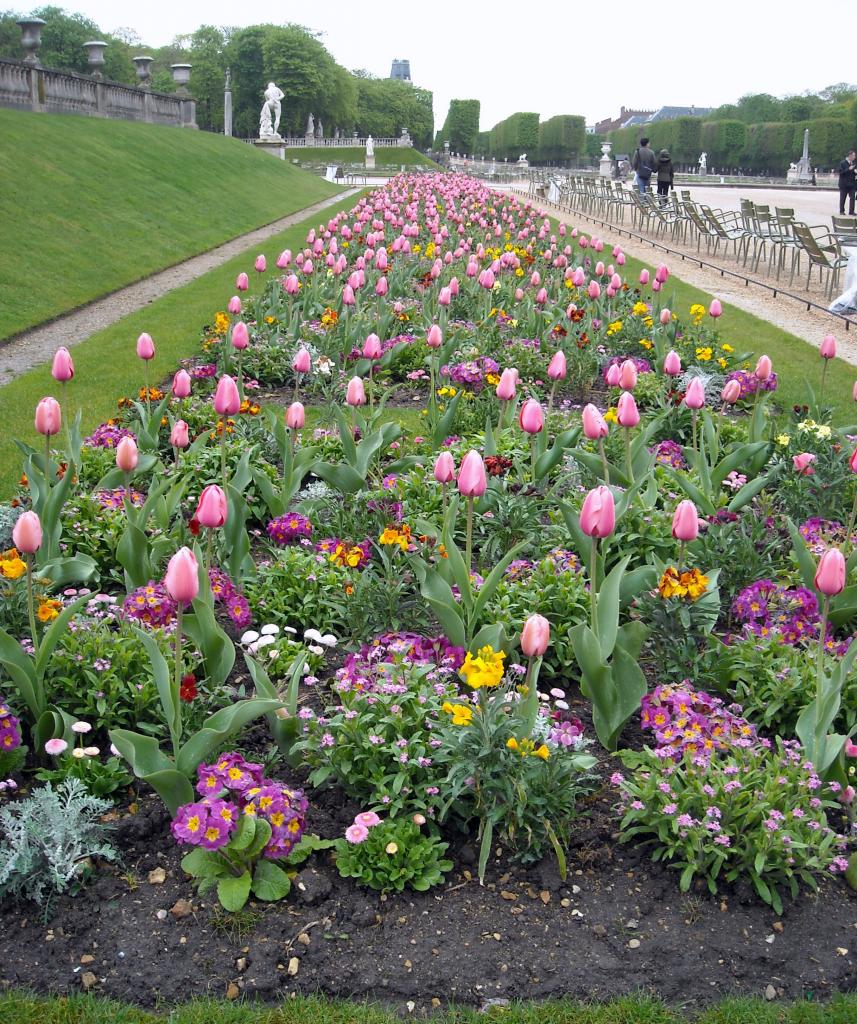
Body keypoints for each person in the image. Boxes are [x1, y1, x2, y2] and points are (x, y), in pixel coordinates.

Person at [838, 150, 856, 215]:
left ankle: (851, 211)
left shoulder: (853, 163)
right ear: (850, 156)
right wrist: (848, 169)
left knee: (853, 198)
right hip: (844, 184)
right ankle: (842, 211)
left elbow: (853, 173)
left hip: (852, 184)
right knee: (843, 198)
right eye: (854, 155)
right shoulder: (842, 163)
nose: (855, 157)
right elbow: (840, 173)